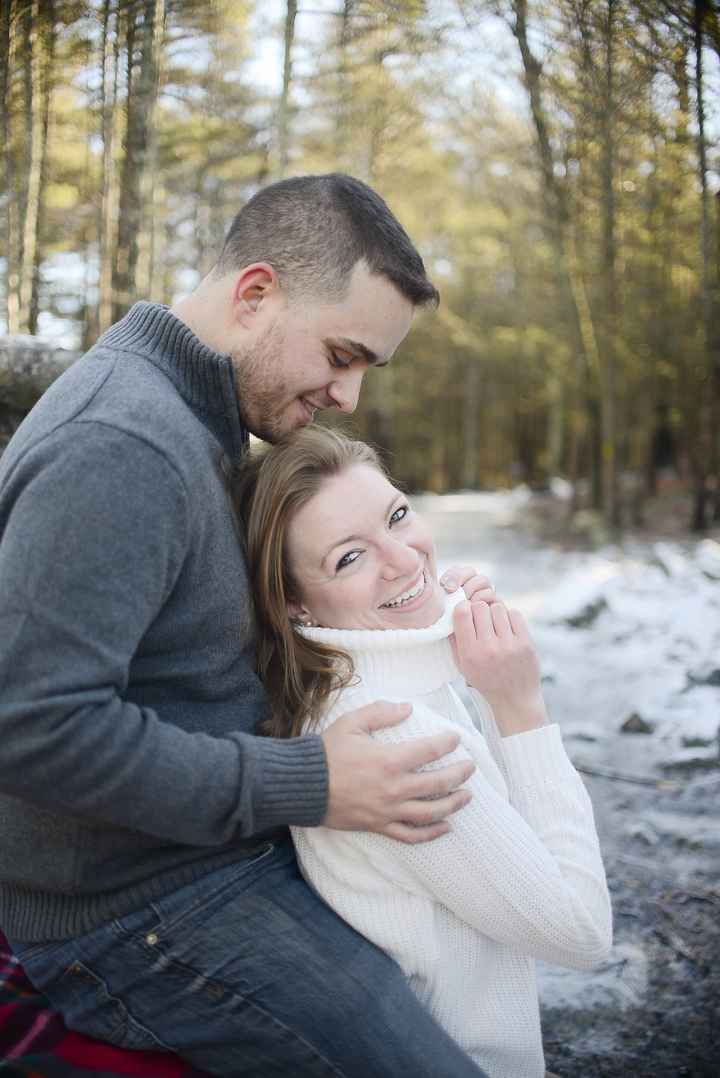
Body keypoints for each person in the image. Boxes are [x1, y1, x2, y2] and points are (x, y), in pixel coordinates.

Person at [0, 174, 489, 1077]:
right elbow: (33, 728)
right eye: (341, 354)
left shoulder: (198, 415)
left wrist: (426, 619)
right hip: (139, 911)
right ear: (256, 293)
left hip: (214, 854)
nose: (348, 396)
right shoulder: (124, 443)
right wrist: (311, 782)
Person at [235, 425, 613, 1078]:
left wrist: (473, 667)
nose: (404, 559)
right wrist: (518, 706)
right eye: (350, 558)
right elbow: (581, 933)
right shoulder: (391, 734)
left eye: (397, 516)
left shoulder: (370, 686)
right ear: (294, 605)